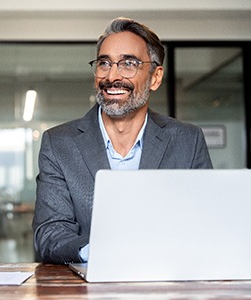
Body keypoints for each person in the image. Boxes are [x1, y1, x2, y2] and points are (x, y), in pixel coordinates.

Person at [32, 17, 213, 264]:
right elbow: (49, 233)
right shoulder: (59, 143)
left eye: (128, 64)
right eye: (104, 63)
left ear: (155, 77)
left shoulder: (187, 140)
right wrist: (100, 253)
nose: (112, 76)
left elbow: (205, 223)